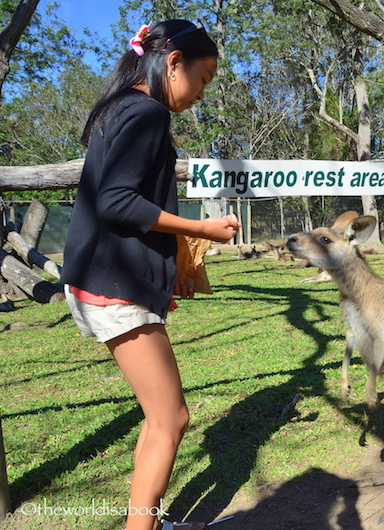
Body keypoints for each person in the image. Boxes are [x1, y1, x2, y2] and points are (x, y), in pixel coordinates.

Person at [61, 20, 240, 530]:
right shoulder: (146, 113)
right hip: (113, 287)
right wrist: (201, 226)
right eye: (202, 79)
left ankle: (148, 523)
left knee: (158, 417)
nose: (202, 93)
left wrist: (173, 266)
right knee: (172, 419)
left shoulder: (119, 107)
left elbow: (127, 201)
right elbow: (117, 201)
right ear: (173, 62)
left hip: (103, 278)